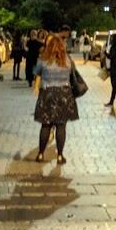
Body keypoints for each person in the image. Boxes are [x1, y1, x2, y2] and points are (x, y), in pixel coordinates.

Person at [33, 33, 79, 163]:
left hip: (47, 92)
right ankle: (59, 155)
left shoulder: (43, 59)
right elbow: (72, 73)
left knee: (45, 125)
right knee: (61, 126)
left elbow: (37, 72)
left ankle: (41, 154)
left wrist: (37, 86)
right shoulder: (67, 60)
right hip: (64, 93)